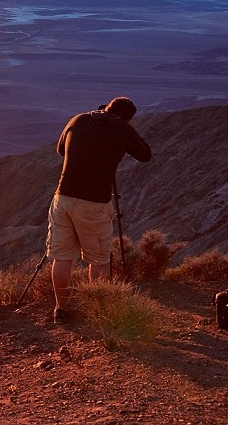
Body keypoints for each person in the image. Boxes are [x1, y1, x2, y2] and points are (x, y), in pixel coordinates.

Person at [46, 96, 151, 324]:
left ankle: (60, 309)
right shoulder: (123, 130)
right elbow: (145, 155)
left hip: (63, 197)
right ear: (128, 119)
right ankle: (99, 309)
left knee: (62, 257)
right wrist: (126, 132)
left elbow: (60, 149)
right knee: (99, 259)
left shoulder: (80, 119)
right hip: (94, 203)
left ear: (105, 108)